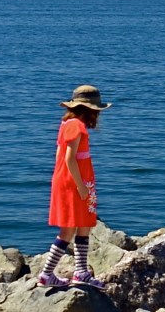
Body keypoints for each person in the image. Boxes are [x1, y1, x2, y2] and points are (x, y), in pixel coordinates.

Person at [37, 84, 112, 290]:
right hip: (75, 182)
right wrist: (80, 186)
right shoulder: (76, 126)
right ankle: (47, 274)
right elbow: (70, 159)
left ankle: (80, 272)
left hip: (74, 180)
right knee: (70, 227)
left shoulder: (68, 124)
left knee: (82, 223)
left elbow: (62, 157)